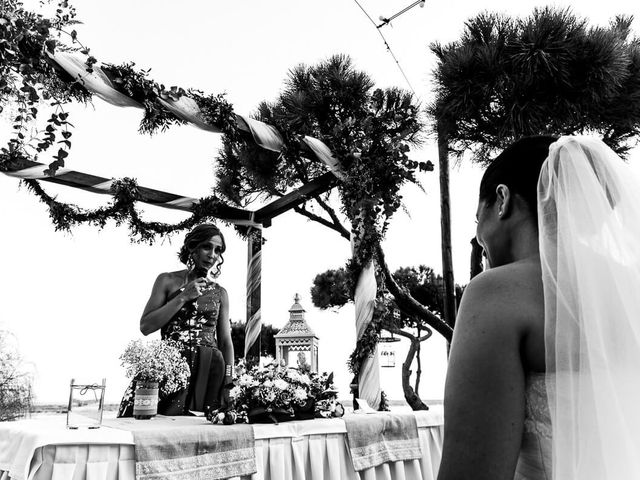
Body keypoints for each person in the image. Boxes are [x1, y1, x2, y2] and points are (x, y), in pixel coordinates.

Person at [438, 136, 640, 479]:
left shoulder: (497, 293)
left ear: (501, 200)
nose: (478, 238)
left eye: (477, 217)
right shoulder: (629, 292)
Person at [117, 223, 234, 417]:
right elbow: (146, 326)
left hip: (210, 368)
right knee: (145, 418)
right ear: (192, 247)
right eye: (207, 247)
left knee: (203, 430)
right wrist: (182, 297)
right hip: (170, 365)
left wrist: (230, 382)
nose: (212, 255)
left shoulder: (220, 292)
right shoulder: (166, 280)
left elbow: (225, 341)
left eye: (218, 250)